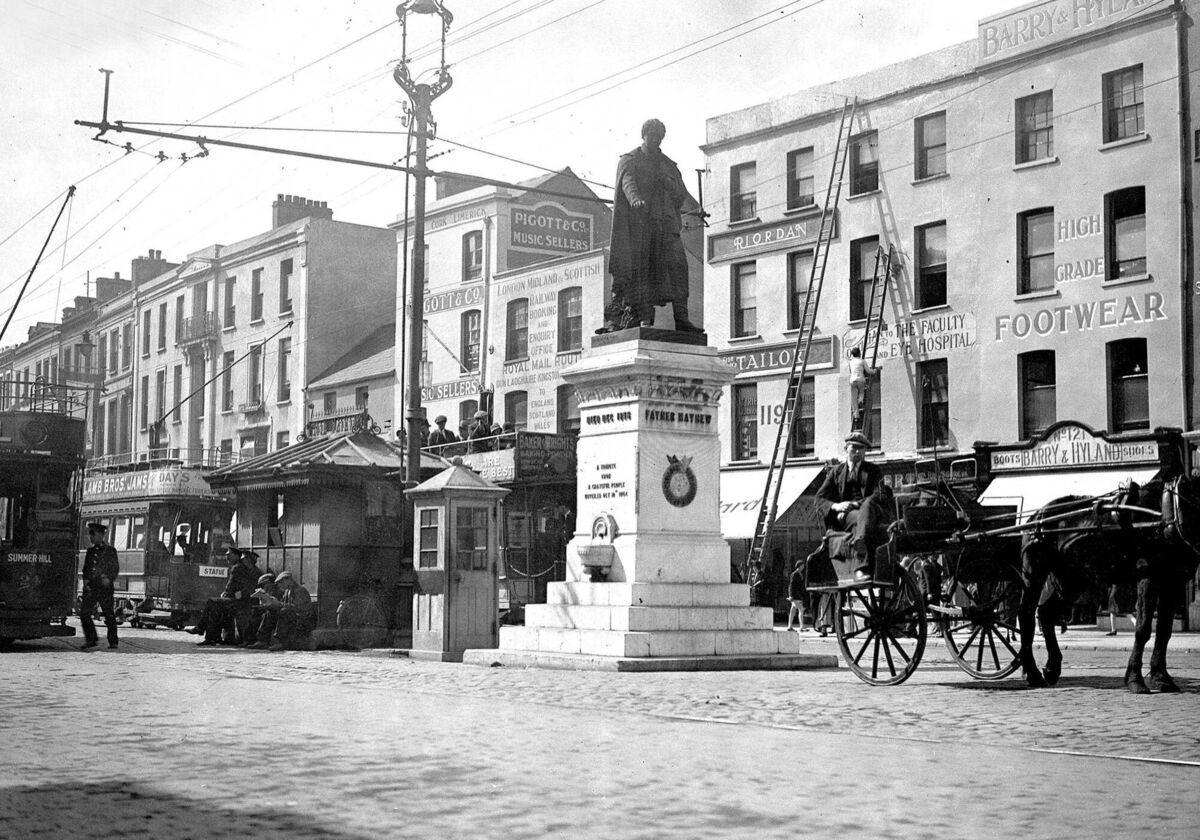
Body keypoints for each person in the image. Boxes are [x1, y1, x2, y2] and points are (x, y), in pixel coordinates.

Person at [603, 118, 702, 334]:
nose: (655, 140)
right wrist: (635, 199)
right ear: (644, 135)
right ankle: (637, 318)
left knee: (678, 269)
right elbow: (627, 182)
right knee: (640, 273)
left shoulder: (668, 165)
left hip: (667, 228)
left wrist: (668, 183)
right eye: (652, 135)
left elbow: (681, 193)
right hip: (640, 228)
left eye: (659, 137)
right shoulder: (631, 159)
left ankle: (682, 318)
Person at [815, 432, 891, 582]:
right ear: (846, 449)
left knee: (867, 506)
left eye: (861, 448)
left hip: (870, 513)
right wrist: (837, 506)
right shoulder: (836, 472)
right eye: (854, 447)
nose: (857, 451)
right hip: (846, 518)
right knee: (859, 519)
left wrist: (855, 504)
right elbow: (819, 499)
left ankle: (861, 564)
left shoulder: (873, 471)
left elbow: (879, 494)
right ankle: (860, 567)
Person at [190, 548, 264, 646]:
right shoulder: (247, 569)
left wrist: (231, 593)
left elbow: (233, 586)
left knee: (212, 602)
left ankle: (204, 631)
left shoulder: (238, 568)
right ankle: (210, 636)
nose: (227, 557)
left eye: (230, 555)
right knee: (215, 607)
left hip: (242, 601)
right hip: (243, 600)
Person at [80, 521, 121, 650]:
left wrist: (108, 578)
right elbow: (86, 569)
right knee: (84, 613)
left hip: (104, 588)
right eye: (90, 534)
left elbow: (115, 568)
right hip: (92, 587)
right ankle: (91, 639)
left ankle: (113, 641)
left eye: (92, 534)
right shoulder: (90, 551)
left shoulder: (110, 551)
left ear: (100, 535)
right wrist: (86, 583)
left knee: (109, 614)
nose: (90, 537)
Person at [252, 570, 314, 651]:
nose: (280, 585)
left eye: (281, 583)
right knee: (270, 613)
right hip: (294, 617)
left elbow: (299, 608)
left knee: (284, 612)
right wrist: (271, 605)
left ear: (289, 580)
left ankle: (281, 642)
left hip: (303, 620)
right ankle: (262, 640)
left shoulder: (300, 590)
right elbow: (283, 605)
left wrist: (280, 604)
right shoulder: (287, 591)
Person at [243, 572, 283, 647]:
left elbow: (278, 604)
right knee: (254, 614)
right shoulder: (267, 592)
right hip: (269, 610)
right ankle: (249, 639)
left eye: (264, 584)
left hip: (275, 612)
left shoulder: (278, 591)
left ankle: (262, 640)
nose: (264, 587)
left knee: (267, 615)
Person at [848, 347, 879, 425]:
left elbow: (850, 371)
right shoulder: (862, 361)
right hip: (861, 380)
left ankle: (856, 416)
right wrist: (875, 370)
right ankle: (861, 401)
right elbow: (868, 371)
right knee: (861, 392)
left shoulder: (850, 362)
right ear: (859, 353)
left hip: (853, 381)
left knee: (854, 399)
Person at [786, 558, 806, 632]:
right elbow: (791, 585)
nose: (803, 567)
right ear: (799, 566)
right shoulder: (794, 574)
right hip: (795, 596)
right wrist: (791, 595)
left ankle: (790, 626)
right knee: (801, 610)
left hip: (797, 595)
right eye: (802, 565)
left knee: (793, 611)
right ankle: (801, 626)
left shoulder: (800, 574)